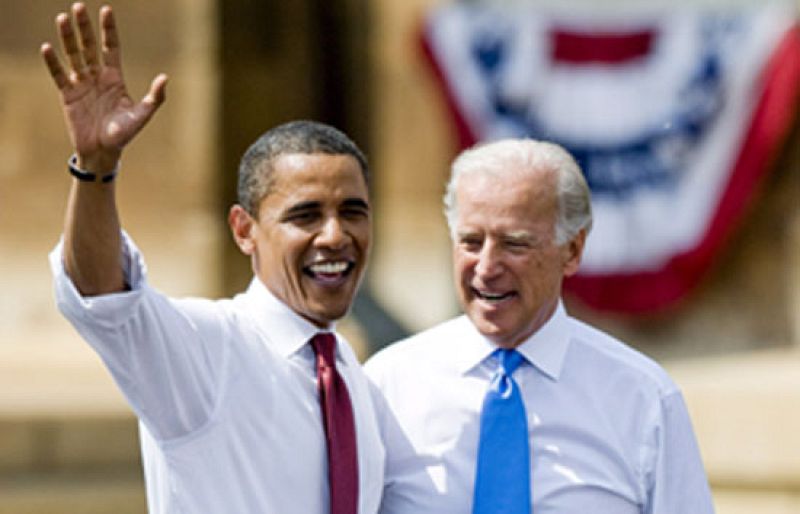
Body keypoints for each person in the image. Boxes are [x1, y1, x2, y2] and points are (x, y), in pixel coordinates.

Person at [42, 3, 383, 513]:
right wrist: (96, 168)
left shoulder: (353, 377)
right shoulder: (205, 350)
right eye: (305, 215)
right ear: (245, 231)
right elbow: (100, 297)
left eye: (352, 211)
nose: (335, 235)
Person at [365, 139, 716, 513]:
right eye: (470, 242)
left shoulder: (643, 399)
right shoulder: (386, 386)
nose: (486, 267)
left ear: (573, 250)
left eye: (514, 244)